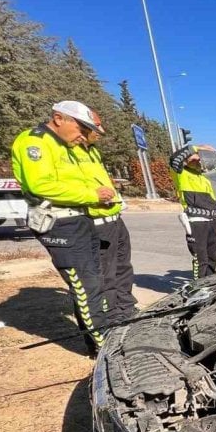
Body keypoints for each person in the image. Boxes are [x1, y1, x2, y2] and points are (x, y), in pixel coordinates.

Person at [11, 101, 111, 356]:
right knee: (86, 285)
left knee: (94, 283)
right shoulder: (35, 142)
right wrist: (91, 194)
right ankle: (102, 346)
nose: (83, 135)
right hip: (61, 223)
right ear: (59, 118)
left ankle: (103, 336)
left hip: (80, 219)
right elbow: (41, 185)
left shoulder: (65, 145)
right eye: (80, 127)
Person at [75, 110, 136, 323]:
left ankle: (126, 313)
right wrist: (93, 197)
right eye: (96, 127)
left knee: (123, 270)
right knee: (103, 277)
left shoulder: (92, 152)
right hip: (95, 223)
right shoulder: (69, 153)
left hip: (114, 220)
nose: (101, 131)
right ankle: (109, 321)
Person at [169, 142, 216, 279]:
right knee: (201, 259)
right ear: (185, 161)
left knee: (212, 258)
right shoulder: (180, 174)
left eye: (199, 159)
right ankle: (197, 288)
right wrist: (196, 147)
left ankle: (209, 286)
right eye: (193, 159)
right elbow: (174, 159)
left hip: (211, 223)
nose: (197, 162)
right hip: (196, 223)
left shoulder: (204, 180)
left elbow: (213, 203)